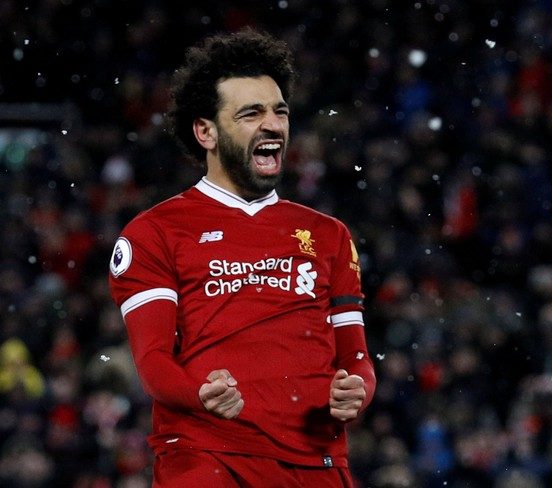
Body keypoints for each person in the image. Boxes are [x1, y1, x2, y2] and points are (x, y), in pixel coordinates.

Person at [108, 28, 376, 487]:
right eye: (251, 114)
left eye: (279, 112)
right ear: (206, 132)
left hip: (317, 464)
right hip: (209, 458)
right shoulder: (154, 233)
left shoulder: (328, 235)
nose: (273, 125)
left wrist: (359, 389)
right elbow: (153, 363)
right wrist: (200, 394)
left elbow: (356, 357)